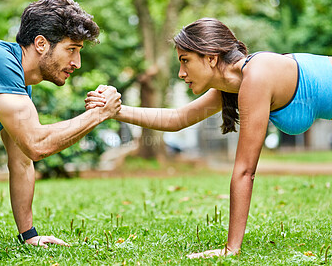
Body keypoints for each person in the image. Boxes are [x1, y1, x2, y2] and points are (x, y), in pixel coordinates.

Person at [85, 17, 332, 257]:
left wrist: (231, 248)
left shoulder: (256, 76)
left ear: (211, 58)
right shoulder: (233, 85)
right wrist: (114, 111)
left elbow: (246, 171)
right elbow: (176, 119)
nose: (181, 72)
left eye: (185, 61)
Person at [0, 0, 121, 247]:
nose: (77, 63)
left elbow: (22, 161)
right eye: (71, 50)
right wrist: (99, 113)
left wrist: (29, 235)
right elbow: (37, 144)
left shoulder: (18, 87)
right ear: (41, 44)